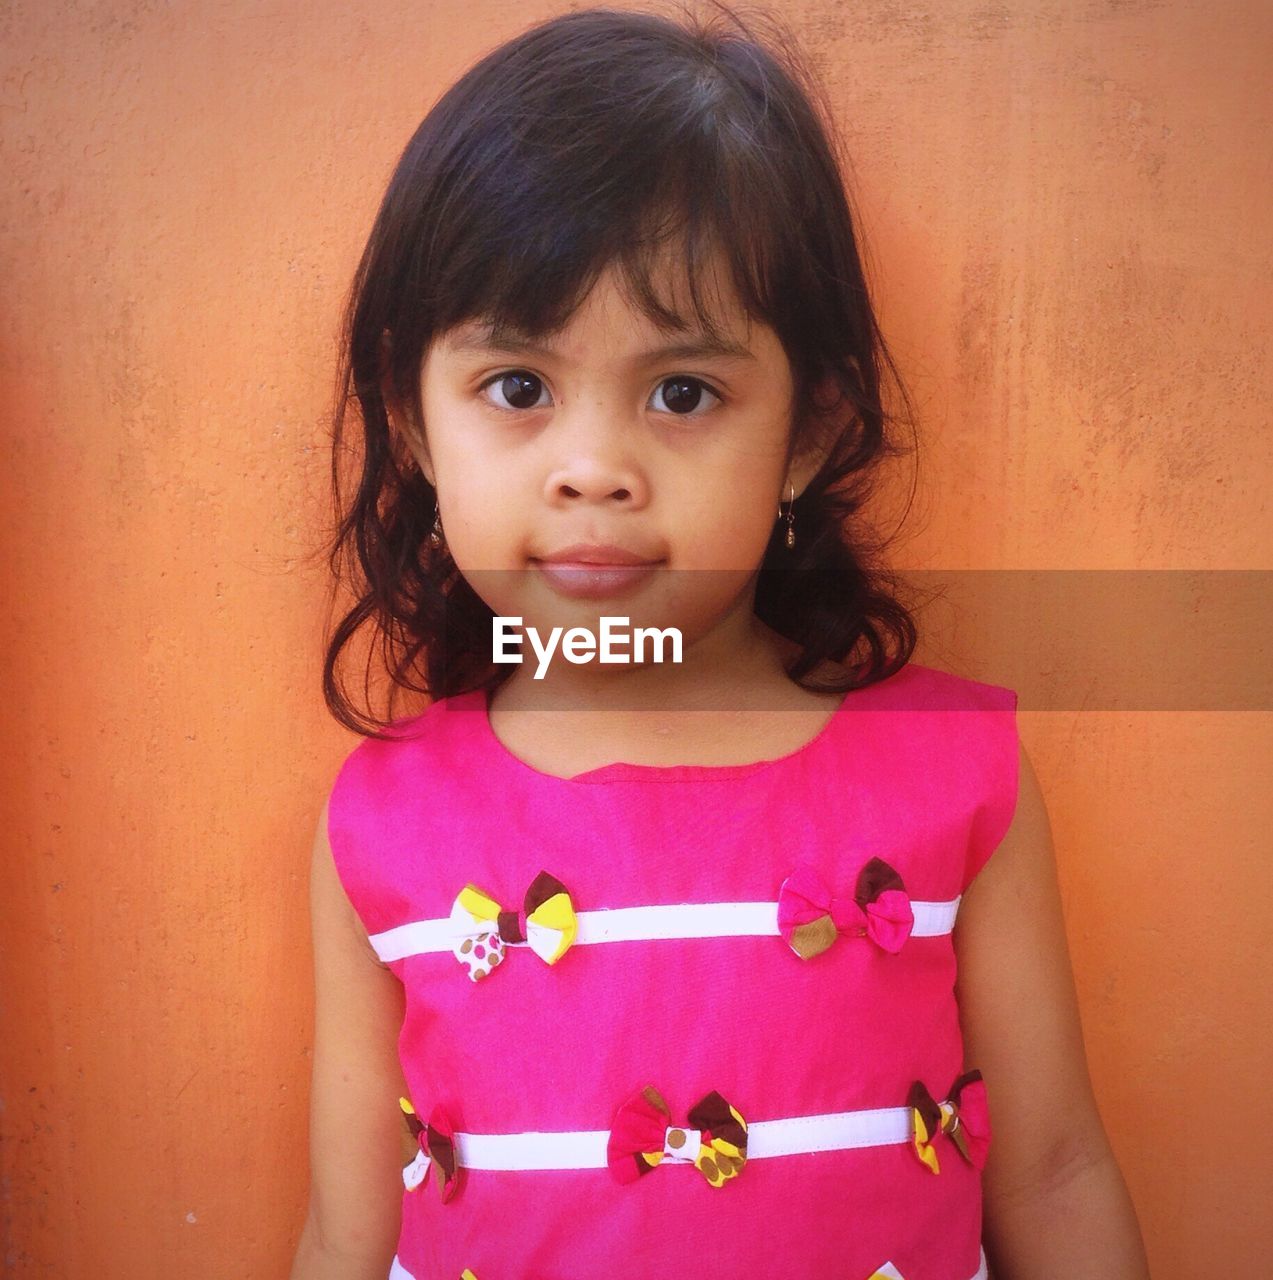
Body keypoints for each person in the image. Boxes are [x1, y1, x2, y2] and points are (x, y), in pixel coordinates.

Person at [290, 6, 1150, 1278]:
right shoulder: (380, 823)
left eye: (681, 392)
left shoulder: (960, 772)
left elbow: (1058, 1171)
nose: (595, 470)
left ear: (809, 429)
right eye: (517, 387)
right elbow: (345, 1228)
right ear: (415, 429)